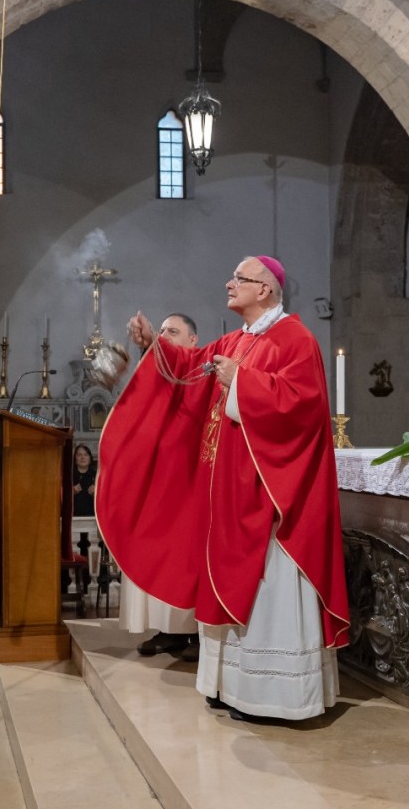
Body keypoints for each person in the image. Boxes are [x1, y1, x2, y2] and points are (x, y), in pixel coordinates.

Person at [99, 256, 350, 721]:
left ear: (267, 290)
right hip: (228, 494)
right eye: (232, 276)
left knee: (267, 591)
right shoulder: (238, 339)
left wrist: (244, 381)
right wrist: (155, 343)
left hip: (270, 499)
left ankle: (273, 697)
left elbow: (305, 407)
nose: (228, 283)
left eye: (240, 279)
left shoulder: (296, 339)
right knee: (223, 584)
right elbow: (193, 366)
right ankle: (228, 687)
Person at [120, 313, 202, 662]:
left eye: (174, 332)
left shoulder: (201, 367)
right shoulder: (158, 365)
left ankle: (196, 631)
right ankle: (169, 631)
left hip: (190, 479)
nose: (166, 337)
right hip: (158, 478)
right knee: (158, 554)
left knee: (187, 557)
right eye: (163, 331)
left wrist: (154, 340)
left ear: (193, 340)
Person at [72, 444, 97, 518]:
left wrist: (96, 493)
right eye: (79, 455)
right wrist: (71, 492)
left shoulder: (97, 476)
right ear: (75, 459)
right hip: (72, 518)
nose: (83, 457)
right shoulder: (68, 476)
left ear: (90, 458)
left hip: (92, 517)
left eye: (86, 455)